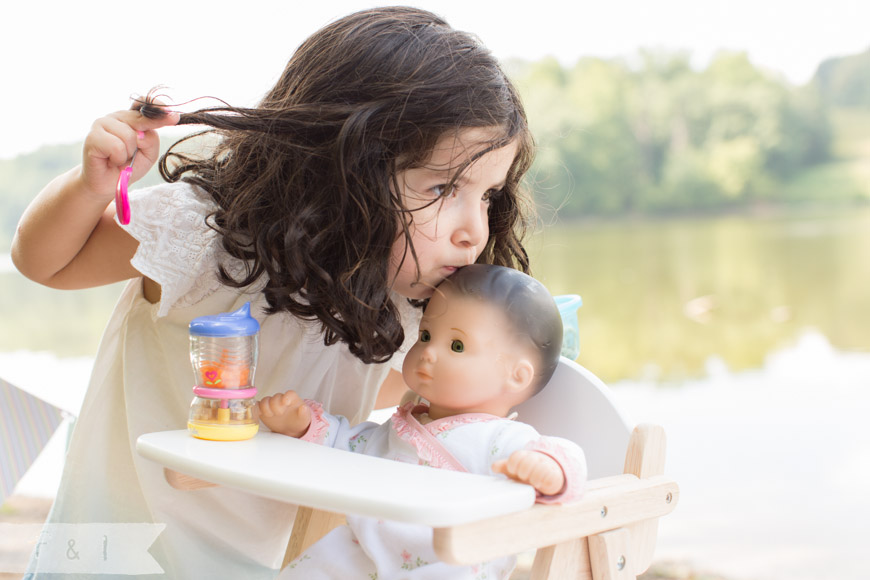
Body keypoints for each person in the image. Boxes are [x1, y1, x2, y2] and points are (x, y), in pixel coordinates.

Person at [10, 7, 537, 579]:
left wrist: (485, 366)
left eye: (487, 194)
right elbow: (46, 265)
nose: (474, 230)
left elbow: (382, 390)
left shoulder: (402, 298)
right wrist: (89, 188)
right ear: (347, 168)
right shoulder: (206, 239)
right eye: (443, 187)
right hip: (117, 547)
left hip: (261, 561)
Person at [258, 264, 587, 579]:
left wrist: (547, 467)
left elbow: (567, 453)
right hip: (366, 554)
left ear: (516, 376)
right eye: (426, 335)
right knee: (320, 564)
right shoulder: (401, 427)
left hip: (449, 563)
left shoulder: (499, 440)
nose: (428, 352)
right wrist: (302, 425)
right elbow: (349, 446)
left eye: (457, 345)